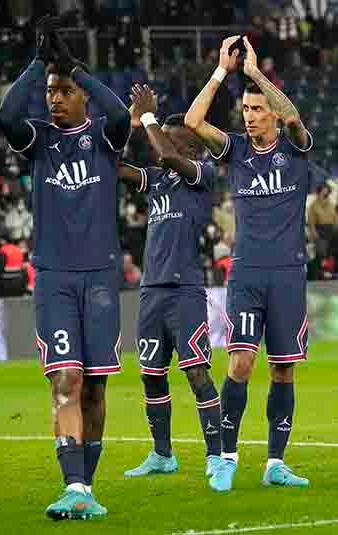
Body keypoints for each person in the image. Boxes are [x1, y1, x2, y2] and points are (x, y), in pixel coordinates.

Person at [0, 16, 130, 520]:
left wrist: (78, 68)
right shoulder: (39, 140)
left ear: (82, 97)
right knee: (67, 379)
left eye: (65, 90)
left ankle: (85, 486)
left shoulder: (103, 136)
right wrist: (38, 64)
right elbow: (7, 117)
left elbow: (120, 114)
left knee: (96, 385)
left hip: (100, 277)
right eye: (51, 92)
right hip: (54, 277)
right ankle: (73, 484)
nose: (54, 98)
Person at [185, 36, 312, 491]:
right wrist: (222, 71)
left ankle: (276, 463)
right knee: (240, 363)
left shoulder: (295, 148)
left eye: (257, 110)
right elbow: (192, 120)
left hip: (289, 274)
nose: (250, 116)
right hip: (246, 273)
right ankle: (225, 454)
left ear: (272, 113)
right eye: (245, 110)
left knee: (284, 368)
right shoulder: (234, 149)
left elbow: (295, 119)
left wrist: (256, 75)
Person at [117, 84, 222, 481]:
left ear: (189, 151)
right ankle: (162, 454)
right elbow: (113, 165)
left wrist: (149, 118)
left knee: (196, 373)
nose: (164, 152)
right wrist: (128, 122)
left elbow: (165, 153)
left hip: (185, 291)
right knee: (150, 373)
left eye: (175, 143)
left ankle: (216, 455)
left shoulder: (202, 176)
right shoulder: (158, 181)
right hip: (152, 290)